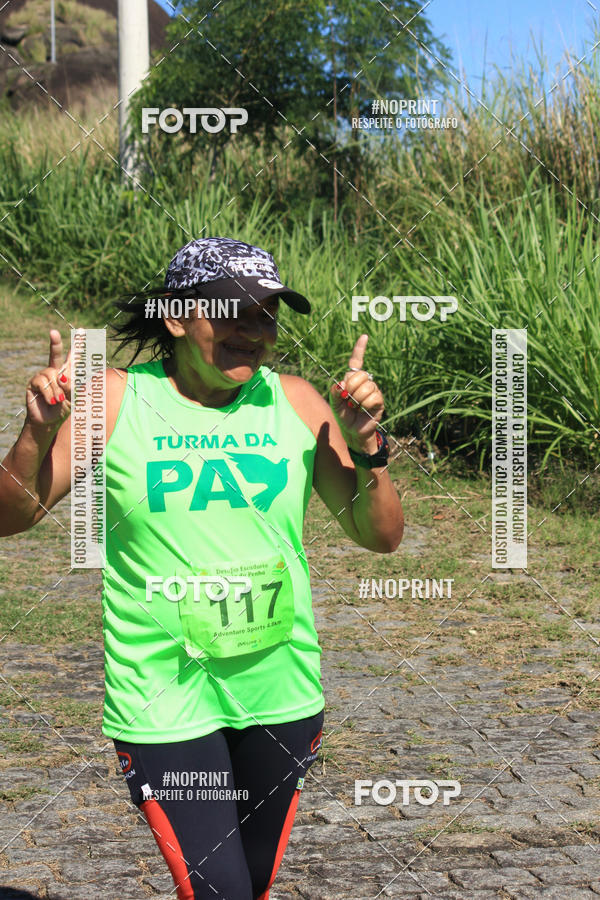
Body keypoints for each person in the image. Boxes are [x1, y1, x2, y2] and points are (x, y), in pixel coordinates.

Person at [0, 237, 404, 899]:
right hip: (165, 697)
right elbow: (13, 514)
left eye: (266, 314)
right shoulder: (115, 400)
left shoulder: (297, 402)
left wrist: (369, 447)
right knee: (219, 890)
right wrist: (36, 434)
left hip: (280, 692)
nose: (251, 330)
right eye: (231, 311)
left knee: (250, 884)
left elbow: (380, 534)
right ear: (177, 317)